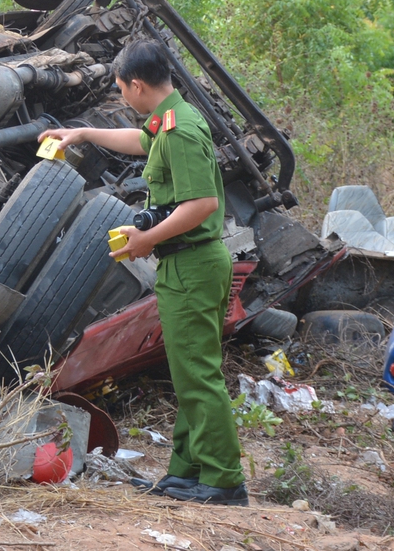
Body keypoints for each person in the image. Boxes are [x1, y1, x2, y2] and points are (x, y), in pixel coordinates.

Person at [43, 38, 248, 506]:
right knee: (187, 370)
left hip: (193, 263)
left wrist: (146, 239)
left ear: (136, 85)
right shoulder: (170, 120)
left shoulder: (179, 130)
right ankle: (187, 472)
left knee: (199, 373)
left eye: (121, 90)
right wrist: (84, 133)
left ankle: (223, 480)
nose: (123, 98)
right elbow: (140, 141)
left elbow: (203, 204)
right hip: (185, 265)